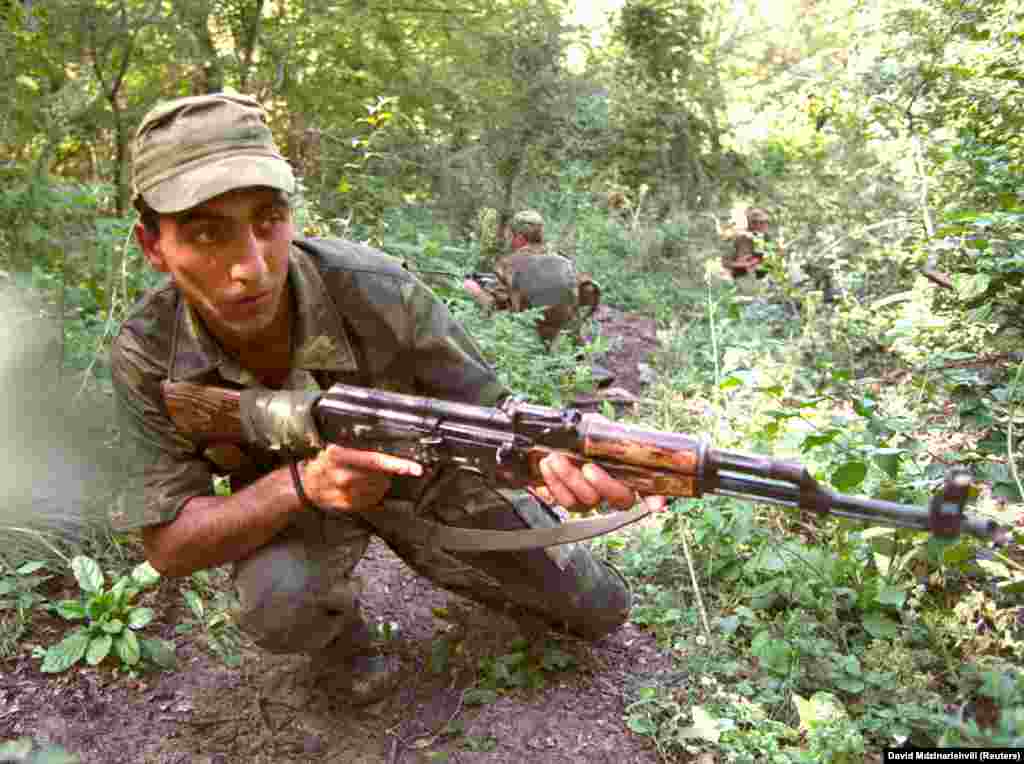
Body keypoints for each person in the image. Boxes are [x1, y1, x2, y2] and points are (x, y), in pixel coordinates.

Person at [110, 93, 663, 706]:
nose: (251, 267)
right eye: (207, 233)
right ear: (153, 245)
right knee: (279, 600)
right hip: (294, 508)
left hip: (425, 479)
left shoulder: (377, 289)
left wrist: (550, 461)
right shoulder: (148, 354)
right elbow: (168, 547)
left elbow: (496, 415)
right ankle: (340, 643)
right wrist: (304, 486)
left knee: (599, 609)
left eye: (268, 220)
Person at [722, 206, 773, 281]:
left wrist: (756, 265)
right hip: (737, 277)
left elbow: (769, 263)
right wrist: (743, 264)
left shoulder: (767, 239)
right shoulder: (738, 236)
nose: (758, 225)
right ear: (748, 221)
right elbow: (725, 263)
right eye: (754, 222)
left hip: (757, 279)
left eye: (762, 222)